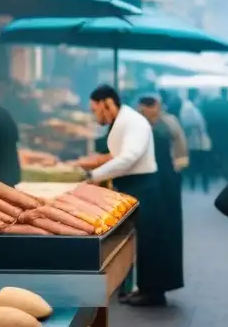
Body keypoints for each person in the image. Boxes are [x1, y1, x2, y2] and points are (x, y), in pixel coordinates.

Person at [77, 85, 179, 307]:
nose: (95, 116)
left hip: (143, 185)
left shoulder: (133, 121)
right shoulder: (123, 120)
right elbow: (118, 155)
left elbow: (128, 157)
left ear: (107, 103)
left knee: (150, 240)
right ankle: (144, 288)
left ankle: (153, 292)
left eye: (95, 110)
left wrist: (94, 175)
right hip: (132, 184)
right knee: (139, 240)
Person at [137, 95, 185, 294]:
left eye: (146, 109)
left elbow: (180, 153)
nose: (144, 113)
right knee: (160, 233)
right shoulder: (163, 123)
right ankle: (152, 287)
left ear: (155, 107)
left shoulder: (164, 125)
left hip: (164, 183)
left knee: (161, 233)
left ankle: (156, 289)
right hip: (163, 181)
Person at [203, 87, 228, 181]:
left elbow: (204, 120)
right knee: (226, 156)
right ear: (227, 93)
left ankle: (212, 174)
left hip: (212, 135)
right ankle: (227, 174)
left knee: (212, 155)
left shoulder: (210, 105)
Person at [180, 89, 211, 192]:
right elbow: (187, 123)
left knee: (198, 163)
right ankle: (199, 185)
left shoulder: (192, 106)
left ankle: (199, 185)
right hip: (194, 140)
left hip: (197, 140)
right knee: (199, 163)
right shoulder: (188, 107)